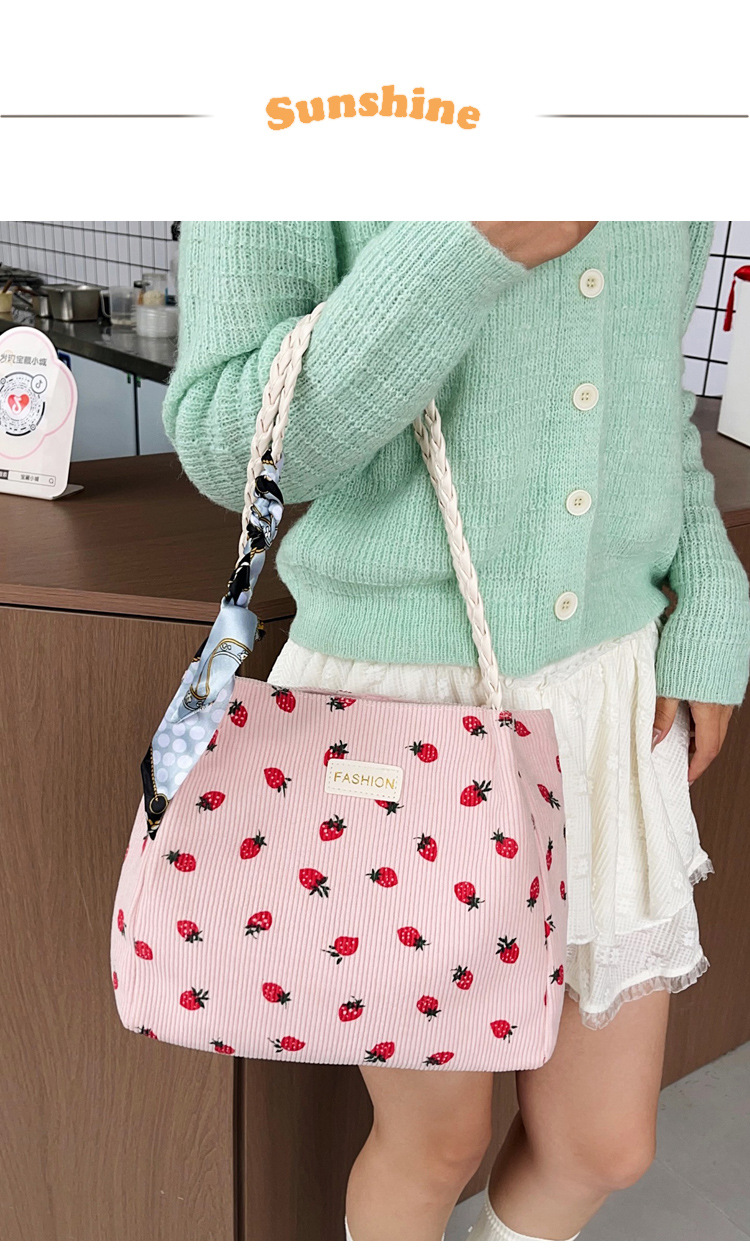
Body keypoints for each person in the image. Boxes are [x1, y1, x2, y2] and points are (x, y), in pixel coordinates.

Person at [162, 221, 750, 1242]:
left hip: (611, 701)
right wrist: (467, 240)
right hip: (400, 723)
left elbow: (653, 411)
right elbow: (231, 445)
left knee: (603, 1145)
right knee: (436, 1144)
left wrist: (710, 602)